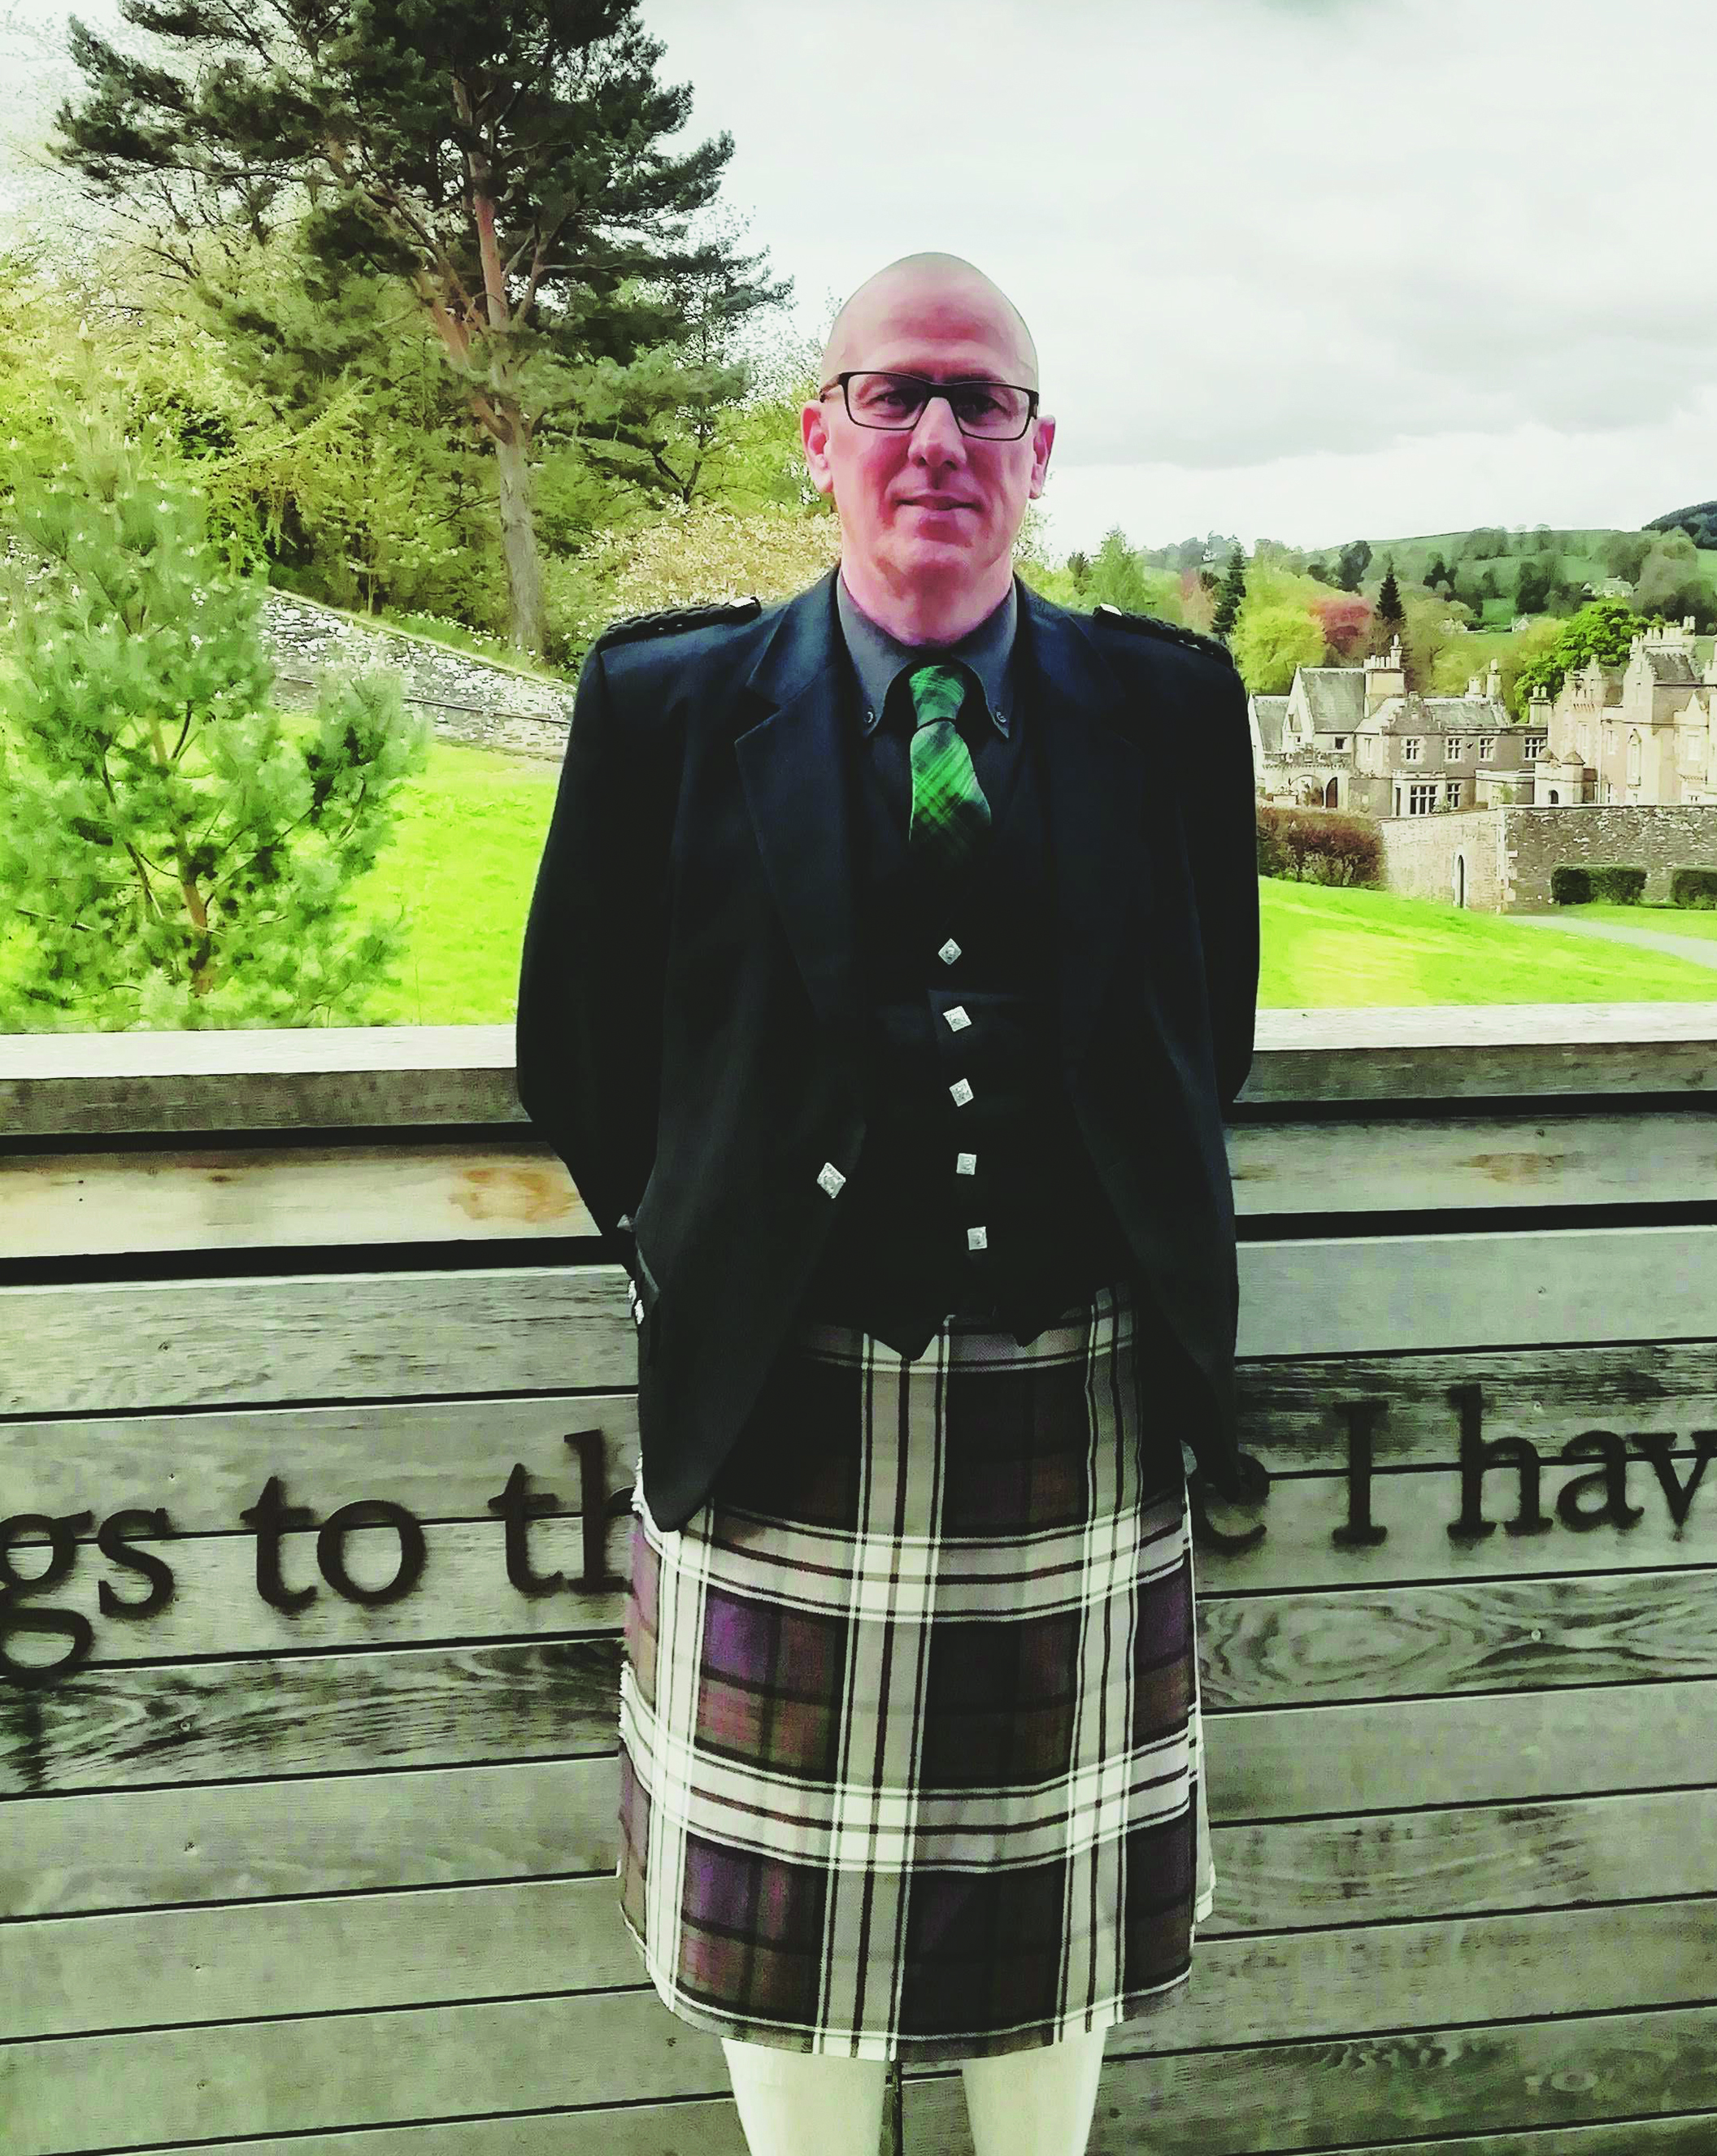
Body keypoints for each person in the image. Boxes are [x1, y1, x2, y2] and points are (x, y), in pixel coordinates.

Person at [515, 251, 1262, 2156]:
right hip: (782, 1391)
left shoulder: (1167, 712)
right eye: (893, 393)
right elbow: (577, 1055)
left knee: (1051, 1932)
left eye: (982, 399)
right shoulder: (668, 707)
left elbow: (1208, 1028)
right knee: (792, 1948)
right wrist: (727, 1247)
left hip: (1077, 1394)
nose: (936, 435)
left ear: (1039, 450)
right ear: (819, 436)